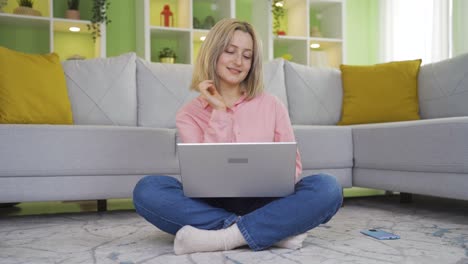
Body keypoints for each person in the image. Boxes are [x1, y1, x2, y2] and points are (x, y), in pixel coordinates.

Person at [133, 18, 343, 255]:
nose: (238, 62)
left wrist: (270, 178)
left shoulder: (272, 104)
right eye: (230, 51)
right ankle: (270, 230)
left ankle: (224, 237)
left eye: (247, 55)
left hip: (266, 199)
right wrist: (219, 111)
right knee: (147, 190)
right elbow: (201, 174)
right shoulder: (188, 114)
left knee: (328, 188)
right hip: (211, 202)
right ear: (213, 53)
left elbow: (293, 168)